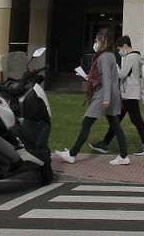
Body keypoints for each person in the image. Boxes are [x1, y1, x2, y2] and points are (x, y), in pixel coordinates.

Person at [53, 30, 129, 166]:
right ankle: (123, 155)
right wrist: (90, 78)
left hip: (104, 95)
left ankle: (72, 154)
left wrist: (106, 98)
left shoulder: (104, 57)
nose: (95, 43)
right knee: (115, 125)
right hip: (110, 94)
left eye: (97, 40)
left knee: (87, 122)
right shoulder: (110, 55)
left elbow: (106, 77)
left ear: (103, 41)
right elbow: (106, 77)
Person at [90, 35, 144, 156]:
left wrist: (115, 67)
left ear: (125, 46)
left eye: (119, 49)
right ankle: (105, 143)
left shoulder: (131, 57)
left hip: (130, 94)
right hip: (128, 94)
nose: (119, 52)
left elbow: (122, 75)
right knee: (117, 119)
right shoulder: (136, 57)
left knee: (135, 119)